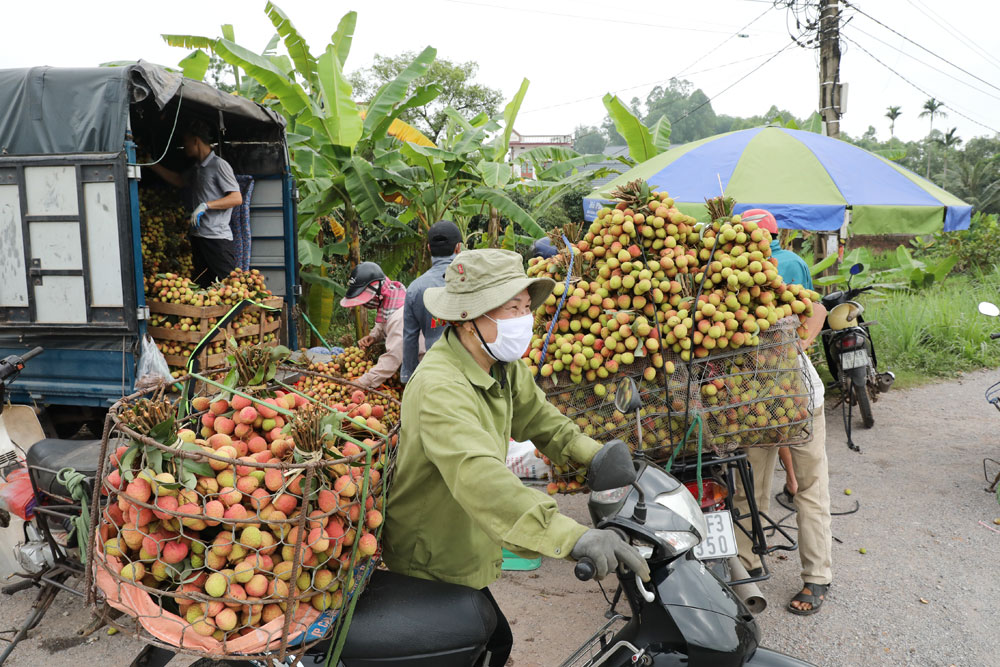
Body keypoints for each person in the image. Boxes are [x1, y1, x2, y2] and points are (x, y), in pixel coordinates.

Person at [382, 249, 649, 666]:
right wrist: (572, 536)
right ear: (468, 318)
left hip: (470, 539)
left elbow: (543, 420)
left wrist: (598, 457)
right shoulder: (439, 386)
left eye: (526, 307)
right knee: (479, 647)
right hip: (432, 556)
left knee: (495, 644)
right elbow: (481, 477)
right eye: (512, 309)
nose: (524, 319)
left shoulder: (501, 364)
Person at [733, 208, 833, 616]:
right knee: (795, 488)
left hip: (790, 398)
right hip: (757, 402)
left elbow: (815, 310)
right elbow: (819, 311)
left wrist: (790, 349)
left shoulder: (755, 270)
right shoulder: (739, 274)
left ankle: (754, 566)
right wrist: (799, 344)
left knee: (759, 488)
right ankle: (811, 577)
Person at [148, 119, 242, 287]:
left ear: (196, 141)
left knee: (229, 286)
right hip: (199, 237)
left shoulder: (219, 165)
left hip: (216, 239)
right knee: (203, 286)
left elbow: (236, 198)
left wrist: (206, 205)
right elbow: (179, 180)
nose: (184, 146)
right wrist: (151, 164)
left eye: (186, 141)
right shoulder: (197, 168)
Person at [400, 220, 463, 384]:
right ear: (458, 247)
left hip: (436, 372)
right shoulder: (473, 281)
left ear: (429, 248)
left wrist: (408, 376)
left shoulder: (415, 288)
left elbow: (410, 338)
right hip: (471, 370)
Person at [339, 261, 412, 390]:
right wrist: (374, 336)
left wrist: (363, 382)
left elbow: (393, 358)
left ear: (378, 293)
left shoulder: (400, 316)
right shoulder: (390, 297)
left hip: (420, 366)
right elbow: (384, 321)